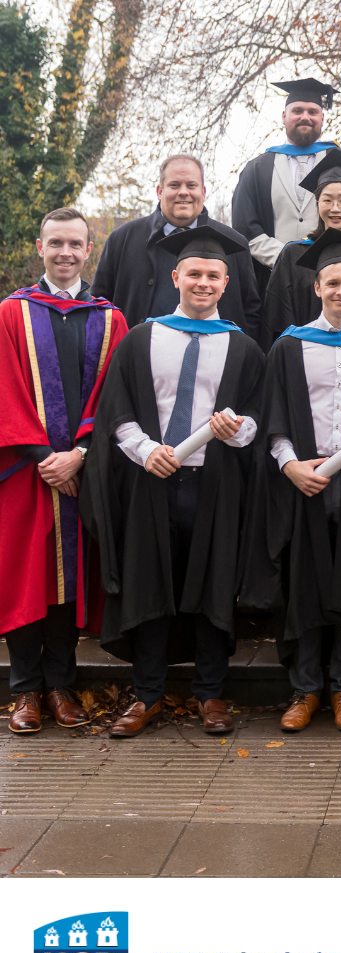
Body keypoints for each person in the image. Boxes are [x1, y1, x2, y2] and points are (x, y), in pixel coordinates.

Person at [82, 227, 266, 738]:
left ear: (226, 282)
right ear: (176, 277)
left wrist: (236, 430)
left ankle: (211, 694)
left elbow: (259, 415)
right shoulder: (141, 339)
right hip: (152, 482)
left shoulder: (243, 347)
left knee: (213, 584)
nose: (203, 283)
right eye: (194, 274)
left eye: (213, 276)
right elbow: (116, 410)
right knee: (150, 584)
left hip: (215, 485)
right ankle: (146, 695)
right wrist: (147, 451)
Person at [242, 229, 341, 733]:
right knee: (304, 582)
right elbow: (273, 418)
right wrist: (290, 465)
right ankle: (306, 689)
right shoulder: (288, 346)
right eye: (332, 282)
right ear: (316, 287)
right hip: (303, 484)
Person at [0, 207, 128, 734]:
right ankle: (24, 690)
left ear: (88, 249)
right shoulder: (11, 313)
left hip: (82, 471)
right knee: (25, 576)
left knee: (69, 580)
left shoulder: (110, 319)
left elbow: (116, 397)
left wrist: (80, 453)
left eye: (75, 244)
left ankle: (60, 685)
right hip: (24, 472)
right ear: (40, 247)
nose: (66, 253)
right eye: (56, 243)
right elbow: (4, 388)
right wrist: (43, 457)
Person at [92, 154, 261, 336]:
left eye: (191, 185)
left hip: (218, 350)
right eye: (174, 185)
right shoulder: (122, 240)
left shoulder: (235, 244)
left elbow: (251, 312)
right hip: (138, 351)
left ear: (203, 192)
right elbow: (99, 308)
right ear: (159, 191)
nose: (183, 192)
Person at [231, 79, 341, 292]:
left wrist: (329, 258)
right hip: (273, 281)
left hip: (334, 279)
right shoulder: (257, 168)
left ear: (322, 118)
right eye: (297, 111)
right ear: (284, 116)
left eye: (312, 112)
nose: (305, 117)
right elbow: (245, 227)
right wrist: (286, 259)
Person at [259, 148, 341, 349]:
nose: (335, 208)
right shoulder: (293, 255)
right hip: (300, 355)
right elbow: (276, 317)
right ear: (318, 205)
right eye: (327, 200)